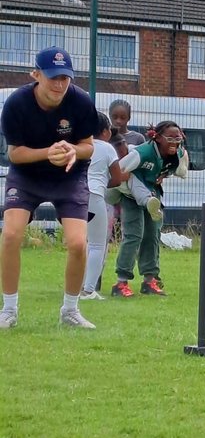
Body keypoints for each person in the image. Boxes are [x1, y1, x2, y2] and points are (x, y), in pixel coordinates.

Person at [1, 46, 100, 329]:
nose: (59, 84)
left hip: (69, 176)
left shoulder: (80, 102)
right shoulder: (16, 104)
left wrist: (71, 151)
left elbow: (89, 147)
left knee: (79, 243)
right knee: (10, 235)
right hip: (26, 176)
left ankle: (70, 311)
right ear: (36, 74)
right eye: (53, 77)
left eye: (65, 78)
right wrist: (48, 152)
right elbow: (15, 154)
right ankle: (8, 310)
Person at [110, 121, 188, 297]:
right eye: (170, 138)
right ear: (157, 137)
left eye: (178, 138)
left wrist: (163, 176)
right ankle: (121, 283)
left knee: (152, 235)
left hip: (154, 193)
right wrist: (126, 185)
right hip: (130, 194)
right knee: (134, 235)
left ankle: (150, 281)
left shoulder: (177, 153)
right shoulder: (142, 153)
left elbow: (180, 169)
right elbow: (119, 170)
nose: (175, 142)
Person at [81, 113, 126, 299]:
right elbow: (117, 178)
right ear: (106, 131)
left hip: (74, 196)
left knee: (81, 244)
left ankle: (77, 286)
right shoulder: (107, 148)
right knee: (98, 245)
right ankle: (89, 289)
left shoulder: (79, 146)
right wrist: (127, 175)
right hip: (94, 196)